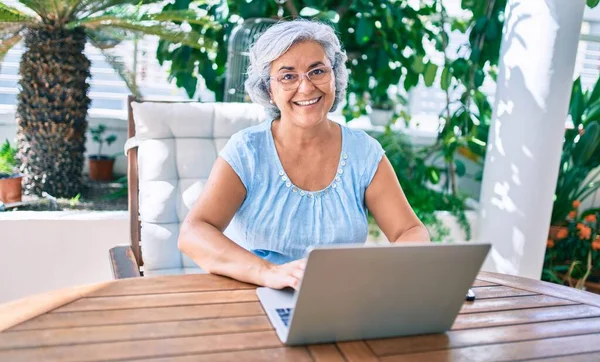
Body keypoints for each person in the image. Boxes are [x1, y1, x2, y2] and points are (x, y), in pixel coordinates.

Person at [179, 19, 430, 290]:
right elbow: (194, 232)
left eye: (317, 71)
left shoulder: (364, 152)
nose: (307, 87)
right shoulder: (247, 151)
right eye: (288, 76)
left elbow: (409, 231)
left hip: (340, 299)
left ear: (335, 76)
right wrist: (268, 273)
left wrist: (381, 272)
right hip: (257, 295)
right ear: (268, 90)